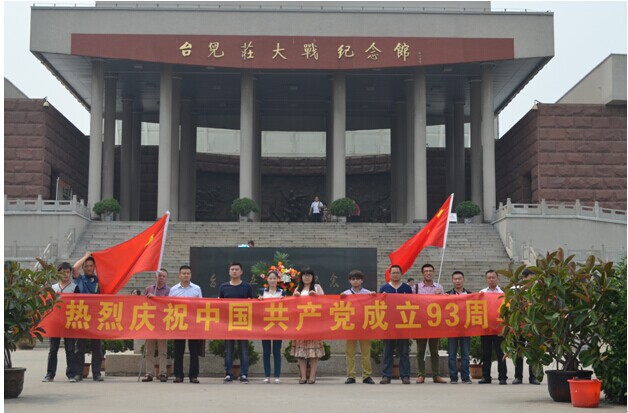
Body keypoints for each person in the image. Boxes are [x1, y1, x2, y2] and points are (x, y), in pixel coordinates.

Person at [219, 262, 254, 384]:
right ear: (229, 272)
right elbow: (219, 304)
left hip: (243, 323)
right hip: (228, 324)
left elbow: (252, 303)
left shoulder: (247, 287)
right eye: (232, 269)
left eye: (236, 269)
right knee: (228, 350)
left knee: (244, 350)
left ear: (241, 272)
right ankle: (228, 374)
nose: (234, 271)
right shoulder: (223, 287)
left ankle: (243, 374)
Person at [43, 262, 78, 382]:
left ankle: (71, 374)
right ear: (58, 273)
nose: (66, 274)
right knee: (53, 349)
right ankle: (50, 374)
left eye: (68, 272)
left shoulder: (74, 288)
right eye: (63, 272)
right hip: (55, 322)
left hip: (69, 322)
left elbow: (79, 304)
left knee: (70, 349)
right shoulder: (53, 288)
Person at [72, 251, 104, 381]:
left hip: (96, 317)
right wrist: (86, 256)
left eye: (91, 266)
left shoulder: (99, 280)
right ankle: (78, 373)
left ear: (94, 267)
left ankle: (96, 373)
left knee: (97, 347)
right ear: (83, 268)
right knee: (80, 347)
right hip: (82, 316)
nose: (89, 268)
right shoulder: (80, 279)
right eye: (86, 266)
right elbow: (74, 268)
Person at [379, 265, 413, 384]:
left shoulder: (407, 288)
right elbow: (379, 305)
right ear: (389, 274)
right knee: (387, 351)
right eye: (393, 273)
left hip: (403, 324)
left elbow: (413, 303)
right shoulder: (384, 288)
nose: (395, 275)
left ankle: (405, 375)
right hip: (388, 324)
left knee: (404, 351)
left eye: (397, 273)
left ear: (401, 274)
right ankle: (386, 375)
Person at [413, 263, 447, 384]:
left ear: (433, 273)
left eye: (430, 271)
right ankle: (421, 375)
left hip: (434, 323)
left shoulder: (439, 287)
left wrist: (440, 296)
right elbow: (412, 303)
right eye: (426, 271)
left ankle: (436, 375)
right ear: (422, 273)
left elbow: (444, 304)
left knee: (434, 351)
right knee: (420, 351)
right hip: (421, 323)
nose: (428, 273)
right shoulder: (416, 288)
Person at [169, 265, 203, 384]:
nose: (186, 275)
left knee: (194, 351)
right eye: (183, 273)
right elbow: (169, 305)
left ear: (191, 275)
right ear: (179, 275)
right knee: (178, 351)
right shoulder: (173, 289)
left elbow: (201, 305)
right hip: (179, 323)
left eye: (188, 273)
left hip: (193, 324)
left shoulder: (197, 288)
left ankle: (193, 376)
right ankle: (178, 375)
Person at [340, 270, 375, 384]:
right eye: (353, 279)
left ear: (362, 280)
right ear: (349, 281)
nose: (355, 281)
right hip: (350, 326)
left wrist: (375, 297)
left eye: (358, 279)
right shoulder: (345, 294)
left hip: (364, 326)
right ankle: (351, 375)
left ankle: (367, 375)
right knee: (350, 352)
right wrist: (340, 299)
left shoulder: (368, 293)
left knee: (366, 352)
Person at [291, 267, 325, 384]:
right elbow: (291, 306)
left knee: (313, 352)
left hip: (314, 324)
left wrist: (316, 296)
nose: (307, 277)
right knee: (301, 352)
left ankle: (312, 376)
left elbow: (325, 303)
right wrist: (294, 297)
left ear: (313, 277)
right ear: (301, 277)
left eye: (309, 275)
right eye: (304, 275)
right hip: (300, 324)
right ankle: (303, 376)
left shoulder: (317, 287)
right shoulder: (298, 289)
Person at [513, 269, 542, 385]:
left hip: (533, 325)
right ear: (524, 278)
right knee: (519, 351)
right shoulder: (516, 291)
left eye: (534, 278)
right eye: (530, 278)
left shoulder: (537, 291)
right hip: (520, 326)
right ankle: (518, 376)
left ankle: (533, 376)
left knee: (533, 351)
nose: (532, 280)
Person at [479, 269, 508, 385]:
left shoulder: (503, 293)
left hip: (499, 329)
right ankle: (486, 376)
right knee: (486, 353)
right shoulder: (481, 293)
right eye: (489, 278)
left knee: (501, 353)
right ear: (486, 280)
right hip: (485, 328)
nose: (491, 279)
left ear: (498, 279)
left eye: (493, 277)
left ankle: (502, 377)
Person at [142, 268, 171, 383]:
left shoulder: (169, 290)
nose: (161, 278)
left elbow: (169, 304)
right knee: (149, 351)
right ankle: (149, 373)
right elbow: (142, 304)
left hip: (162, 323)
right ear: (156, 277)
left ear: (166, 278)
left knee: (162, 351)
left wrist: (157, 299)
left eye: (164, 276)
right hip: (150, 322)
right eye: (160, 276)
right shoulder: (149, 289)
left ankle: (162, 373)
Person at [258, 270, 285, 383]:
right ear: (267, 280)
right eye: (270, 278)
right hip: (265, 325)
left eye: (274, 278)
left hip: (278, 324)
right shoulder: (262, 292)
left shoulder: (282, 292)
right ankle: (267, 375)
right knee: (266, 352)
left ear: (277, 280)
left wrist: (284, 300)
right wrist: (259, 300)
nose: (272, 280)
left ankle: (277, 376)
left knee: (276, 351)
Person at [446, 270, 472, 384]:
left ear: (463, 280)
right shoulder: (447, 295)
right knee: (452, 354)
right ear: (452, 281)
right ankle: (453, 377)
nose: (457, 281)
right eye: (455, 279)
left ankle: (465, 377)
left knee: (465, 354)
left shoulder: (470, 295)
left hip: (466, 328)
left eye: (459, 279)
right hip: (452, 329)